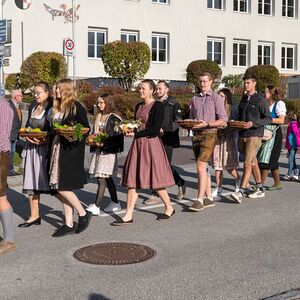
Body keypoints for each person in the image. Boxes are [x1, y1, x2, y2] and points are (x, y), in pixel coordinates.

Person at [111, 79, 175, 225]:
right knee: (133, 180)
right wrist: (128, 129)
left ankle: (169, 207)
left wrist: (136, 134)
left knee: (155, 180)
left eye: (143, 88)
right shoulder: (139, 106)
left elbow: (155, 129)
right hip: (138, 145)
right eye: (140, 88)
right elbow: (137, 125)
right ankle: (128, 215)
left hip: (151, 145)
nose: (140, 90)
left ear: (151, 90)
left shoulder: (157, 106)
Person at [49, 78, 92, 237]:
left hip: (70, 149)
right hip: (57, 148)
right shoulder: (58, 107)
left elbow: (86, 128)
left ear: (66, 89)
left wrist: (73, 133)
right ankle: (68, 223)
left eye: (58, 89)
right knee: (60, 186)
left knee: (62, 186)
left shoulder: (76, 106)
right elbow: (54, 129)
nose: (56, 91)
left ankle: (83, 213)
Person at [188, 72, 227, 212]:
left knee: (200, 166)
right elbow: (192, 118)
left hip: (210, 134)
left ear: (211, 82)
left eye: (205, 81)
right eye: (201, 81)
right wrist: (189, 124)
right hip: (196, 135)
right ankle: (209, 198)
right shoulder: (194, 99)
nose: (202, 84)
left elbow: (223, 119)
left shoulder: (216, 98)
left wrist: (208, 124)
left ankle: (199, 199)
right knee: (203, 168)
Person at [230, 74, 272, 203]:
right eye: (245, 83)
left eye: (248, 83)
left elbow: (268, 118)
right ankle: (260, 188)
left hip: (255, 135)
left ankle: (240, 192)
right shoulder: (243, 98)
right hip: (243, 134)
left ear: (254, 83)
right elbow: (241, 116)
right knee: (253, 162)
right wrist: (235, 123)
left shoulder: (261, 99)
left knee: (247, 164)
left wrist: (253, 124)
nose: (245, 85)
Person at [144, 80, 186, 205]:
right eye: (156, 89)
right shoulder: (154, 104)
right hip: (154, 137)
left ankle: (176, 184)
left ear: (167, 89)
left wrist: (165, 130)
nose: (157, 91)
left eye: (160, 89)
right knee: (155, 164)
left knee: (164, 166)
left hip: (167, 138)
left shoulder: (173, 104)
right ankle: (157, 192)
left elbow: (178, 121)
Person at [18, 82, 53, 228]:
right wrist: (26, 134)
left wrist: (44, 140)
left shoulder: (51, 107)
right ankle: (34, 216)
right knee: (31, 183)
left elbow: (53, 131)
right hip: (31, 148)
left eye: (38, 92)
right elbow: (27, 125)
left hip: (44, 150)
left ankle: (77, 211)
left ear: (47, 93)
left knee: (55, 187)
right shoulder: (33, 105)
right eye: (34, 92)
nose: (35, 95)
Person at [87, 94, 124, 215]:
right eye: (98, 102)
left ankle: (96, 206)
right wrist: (91, 140)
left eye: (102, 102)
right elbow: (95, 133)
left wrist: (104, 144)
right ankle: (115, 202)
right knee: (107, 178)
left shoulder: (114, 118)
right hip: (98, 151)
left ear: (108, 103)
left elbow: (117, 137)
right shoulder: (98, 116)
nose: (99, 105)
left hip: (108, 152)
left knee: (101, 177)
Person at [211, 88, 240, 199]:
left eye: (222, 96)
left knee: (229, 166)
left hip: (229, 139)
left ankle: (238, 179)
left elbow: (236, 124)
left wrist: (228, 129)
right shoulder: (215, 108)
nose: (220, 98)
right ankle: (219, 188)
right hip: (217, 138)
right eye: (218, 96)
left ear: (227, 97)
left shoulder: (233, 109)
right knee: (217, 165)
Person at [258, 86, 286, 190]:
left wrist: (267, 119)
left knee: (267, 159)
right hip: (265, 132)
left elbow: (281, 120)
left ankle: (259, 185)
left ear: (271, 93)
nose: (264, 93)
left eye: (266, 92)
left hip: (274, 133)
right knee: (271, 160)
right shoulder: (265, 103)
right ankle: (277, 183)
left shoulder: (279, 104)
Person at [0, 95, 16, 255]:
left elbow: (2, 135)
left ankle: (9, 240)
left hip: (0, 155)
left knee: (1, 197)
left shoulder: (2, 105)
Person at [7, 89, 23, 176]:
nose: (22, 97)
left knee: (12, 152)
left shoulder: (17, 105)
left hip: (15, 134)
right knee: (8, 152)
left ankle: (10, 169)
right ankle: (8, 170)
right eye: (21, 95)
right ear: (16, 96)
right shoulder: (8, 105)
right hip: (8, 134)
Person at [285, 111, 300, 180]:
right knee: (292, 160)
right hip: (291, 145)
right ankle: (296, 173)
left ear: (289, 118)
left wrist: (298, 144)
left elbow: (297, 135)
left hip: (293, 146)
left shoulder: (293, 125)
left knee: (290, 160)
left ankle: (289, 174)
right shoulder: (292, 125)